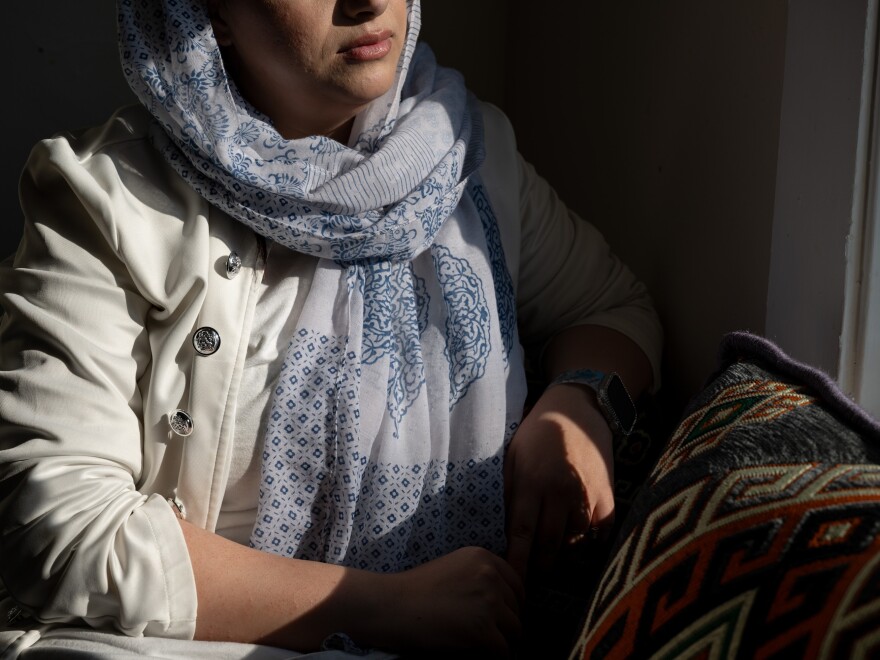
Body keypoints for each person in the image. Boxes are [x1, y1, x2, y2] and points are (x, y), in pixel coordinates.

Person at [0, 0, 662, 657]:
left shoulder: (469, 156)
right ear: (211, 13)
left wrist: (579, 406)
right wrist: (381, 606)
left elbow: (611, 306)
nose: (369, 1)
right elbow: (56, 524)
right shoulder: (105, 198)